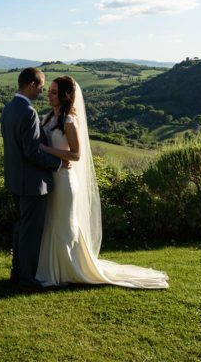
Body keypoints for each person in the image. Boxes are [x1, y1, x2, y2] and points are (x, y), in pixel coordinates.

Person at [36, 76, 168, 289]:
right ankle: (52, 269)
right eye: (49, 91)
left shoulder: (69, 121)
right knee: (53, 224)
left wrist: (47, 150)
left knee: (65, 226)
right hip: (52, 179)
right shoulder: (48, 118)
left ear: (65, 95)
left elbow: (77, 154)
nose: (49, 95)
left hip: (65, 182)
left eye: (53, 92)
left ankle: (69, 270)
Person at [0, 67, 65, 293]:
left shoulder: (8, 108)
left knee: (20, 230)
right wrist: (57, 164)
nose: (41, 91)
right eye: (40, 87)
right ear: (30, 84)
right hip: (32, 184)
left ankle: (17, 273)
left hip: (16, 180)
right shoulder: (28, 112)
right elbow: (32, 152)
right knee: (30, 234)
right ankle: (27, 280)